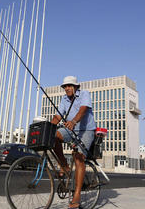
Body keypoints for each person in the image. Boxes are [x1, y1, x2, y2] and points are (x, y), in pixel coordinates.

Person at [51, 76, 96, 209]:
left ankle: (77, 194)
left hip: (86, 130)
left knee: (78, 158)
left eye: (70, 85)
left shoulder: (84, 94)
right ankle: (64, 165)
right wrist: (49, 127)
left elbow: (83, 109)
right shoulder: (64, 99)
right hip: (70, 129)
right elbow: (58, 116)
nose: (67, 88)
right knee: (53, 136)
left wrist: (74, 121)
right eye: (65, 86)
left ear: (76, 87)